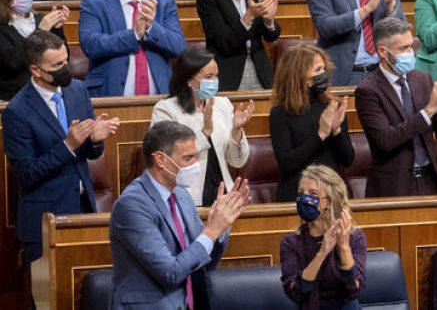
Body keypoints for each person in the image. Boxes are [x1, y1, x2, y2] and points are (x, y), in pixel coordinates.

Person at [2, 30, 115, 263]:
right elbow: (27, 174)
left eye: (65, 61)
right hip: (45, 220)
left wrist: (95, 141)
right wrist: (68, 145)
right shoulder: (17, 111)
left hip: (84, 210)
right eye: (56, 65)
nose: (65, 69)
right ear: (36, 70)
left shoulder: (78, 90)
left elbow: (89, 152)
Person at [109, 122, 250, 308]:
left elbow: (203, 262)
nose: (195, 165)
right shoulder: (132, 205)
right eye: (187, 158)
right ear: (160, 159)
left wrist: (221, 225)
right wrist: (211, 231)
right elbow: (170, 273)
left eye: (195, 157)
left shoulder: (181, 195)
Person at [354, 17, 437, 197]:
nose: (410, 53)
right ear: (382, 51)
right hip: (394, 187)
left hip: (431, 181)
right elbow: (385, 140)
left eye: (411, 46)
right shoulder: (368, 91)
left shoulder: (422, 79)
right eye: (403, 48)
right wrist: (428, 111)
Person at [78, 0, 186, 96]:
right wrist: (134, 34)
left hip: (159, 97)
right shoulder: (94, 4)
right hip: (110, 95)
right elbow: (91, 45)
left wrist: (151, 27)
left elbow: (179, 47)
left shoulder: (163, 2)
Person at [150, 47, 253, 205]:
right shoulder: (166, 110)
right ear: (188, 79)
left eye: (216, 76)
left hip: (223, 194)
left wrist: (237, 131)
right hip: (186, 196)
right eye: (208, 77)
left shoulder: (223, 105)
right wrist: (205, 132)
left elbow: (237, 161)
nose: (214, 82)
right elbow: (167, 157)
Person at [269, 45, 355, 202]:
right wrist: (320, 135)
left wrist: (336, 131)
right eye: (317, 70)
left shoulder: (333, 106)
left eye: (324, 68)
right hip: (297, 194)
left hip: (331, 193)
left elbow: (348, 159)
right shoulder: (280, 113)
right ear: (300, 76)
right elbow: (287, 163)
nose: (324, 74)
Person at [280, 165, 367, 307]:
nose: (304, 198)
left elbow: (354, 290)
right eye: (301, 193)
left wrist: (343, 247)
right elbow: (296, 293)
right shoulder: (291, 242)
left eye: (313, 193)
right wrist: (321, 253)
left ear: (330, 201)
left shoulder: (354, 237)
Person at [0, 0, 68, 99]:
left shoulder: (40, 19)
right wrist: (40, 32)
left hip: (47, 92)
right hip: (13, 96)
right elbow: (11, 63)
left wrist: (57, 29)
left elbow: (63, 59)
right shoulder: (3, 26)